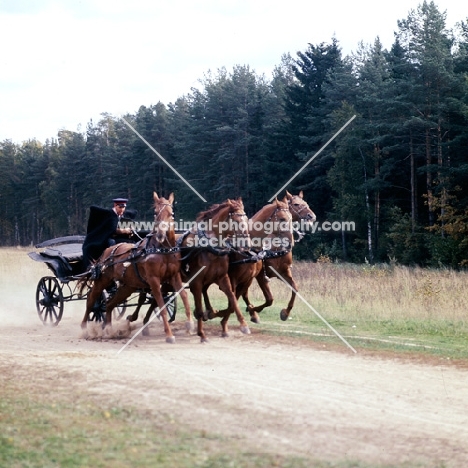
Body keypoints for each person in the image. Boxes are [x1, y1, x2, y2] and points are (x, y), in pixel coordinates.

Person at [82, 197, 135, 269]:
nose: (122, 210)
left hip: (117, 237)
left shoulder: (123, 215)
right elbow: (112, 229)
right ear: (115, 205)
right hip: (103, 238)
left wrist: (131, 229)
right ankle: (110, 262)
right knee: (111, 242)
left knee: (133, 242)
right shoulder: (109, 215)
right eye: (120, 207)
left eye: (124, 207)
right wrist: (124, 231)